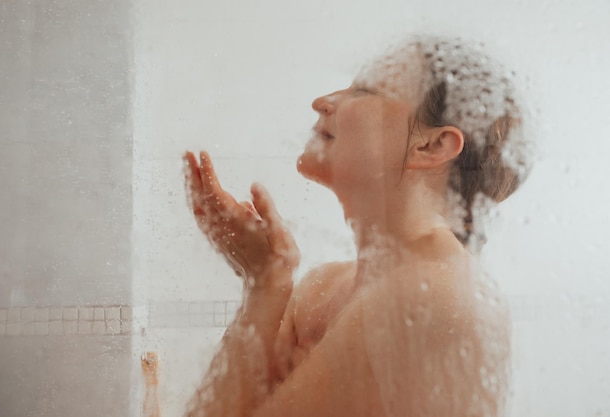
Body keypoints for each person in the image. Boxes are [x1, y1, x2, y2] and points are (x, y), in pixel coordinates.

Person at [182, 34, 530, 417]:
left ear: (432, 147)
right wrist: (264, 280)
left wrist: (267, 284)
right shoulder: (321, 287)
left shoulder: (435, 295)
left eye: (365, 90)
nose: (323, 102)